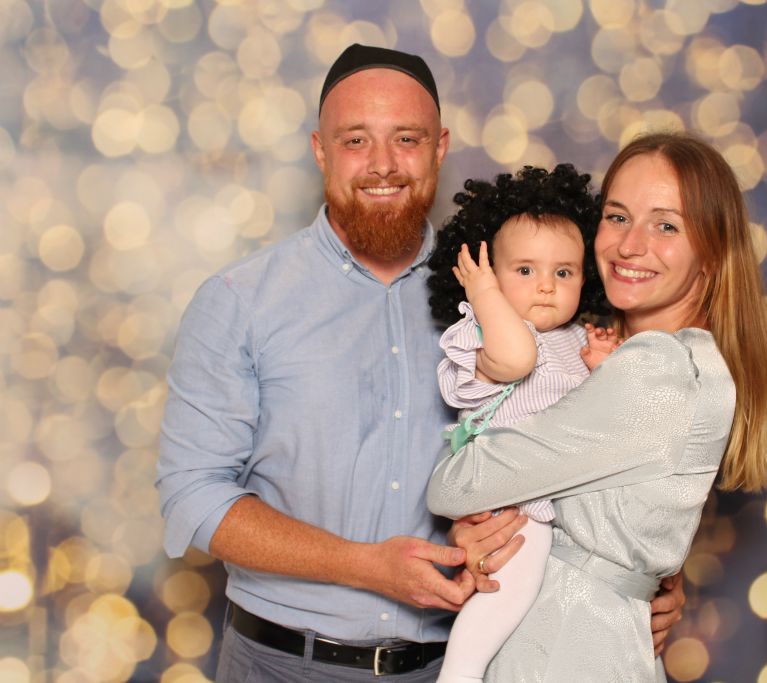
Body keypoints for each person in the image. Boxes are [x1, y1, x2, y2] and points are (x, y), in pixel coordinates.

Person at [157, 43, 683, 682]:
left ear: (440, 149)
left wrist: (646, 581)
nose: (383, 164)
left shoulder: (514, 290)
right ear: (321, 150)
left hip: (465, 661)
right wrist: (364, 566)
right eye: (356, 140)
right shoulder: (240, 301)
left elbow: (599, 446)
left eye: (406, 139)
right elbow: (194, 494)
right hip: (282, 665)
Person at [428, 131, 767, 681]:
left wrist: (478, 506)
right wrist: (485, 533)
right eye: (617, 217)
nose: (629, 245)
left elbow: (454, 485)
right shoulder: (611, 353)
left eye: (666, 226)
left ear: (712, 252)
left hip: (567, 655)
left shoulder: (657, 370)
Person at [425, 164, 618, 682]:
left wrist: (602, 369)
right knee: (514, 586)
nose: (547, 287)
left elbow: (601, 426)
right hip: (510, 502)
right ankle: (459, 674)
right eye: (525, 270)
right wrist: (484, 294)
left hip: (562, 502)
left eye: (564, 272)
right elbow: (516, 360)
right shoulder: (483, 331)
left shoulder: (576, 340)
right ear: (488, 273)